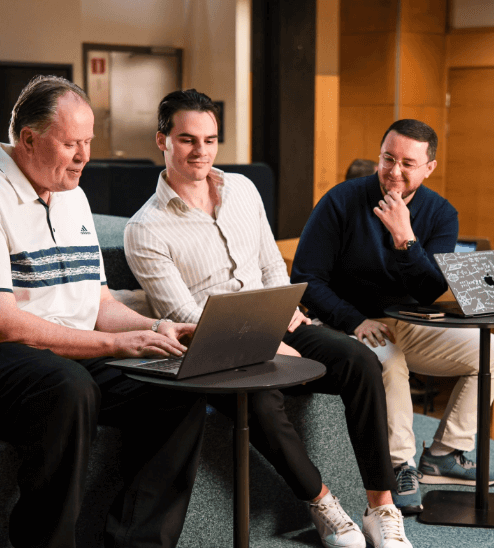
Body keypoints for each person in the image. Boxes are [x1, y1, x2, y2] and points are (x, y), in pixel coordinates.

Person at [0, 76, 208, 548]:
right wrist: (115, 344)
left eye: (88, 142)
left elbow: (99, 305)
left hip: (62, 353)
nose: (84, 156)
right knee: (68, 387)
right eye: (71, 144)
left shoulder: (73, 197)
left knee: (177, 390)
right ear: (28, 139)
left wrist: (155, 328)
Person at [124, 89, 411, 548]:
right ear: (162, 140)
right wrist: (260, 342)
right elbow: (182, 314)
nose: (201, 151)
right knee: (258, 400)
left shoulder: (242, 189)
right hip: (216, 349)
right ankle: (323, 504)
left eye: (210, 139)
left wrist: (288, 311)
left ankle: (381, 506)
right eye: (187, 139)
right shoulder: (145, 228)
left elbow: (271, 263)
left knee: (360, 361)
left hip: (278, 323)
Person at [290, 119, 494, 516]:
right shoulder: (341, 200)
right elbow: (306, 279)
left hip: (409, 323)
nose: (395, 171)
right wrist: (354, 320)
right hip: (345, 324)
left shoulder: (441, 213)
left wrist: (404, 239)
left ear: (429, 167)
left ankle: (444, 454)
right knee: (390, 362)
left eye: (408, 163)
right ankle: (399, 467)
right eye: (388, 159)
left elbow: (430, 290)